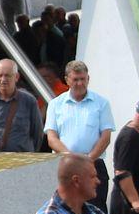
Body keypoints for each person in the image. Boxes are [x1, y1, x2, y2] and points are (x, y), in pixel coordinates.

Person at [43, 62, 114, 205]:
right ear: (67, 80)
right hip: (64, 165)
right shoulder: (55, 104)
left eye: (83, 79)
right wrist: (72, 159)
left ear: (88, 78)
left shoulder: (102, 103)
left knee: (96, 213)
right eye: (76, 79)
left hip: (94, 165)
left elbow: (105, 137)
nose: (80, 83)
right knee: (65, 210)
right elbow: (52, 138)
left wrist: (88, 160)